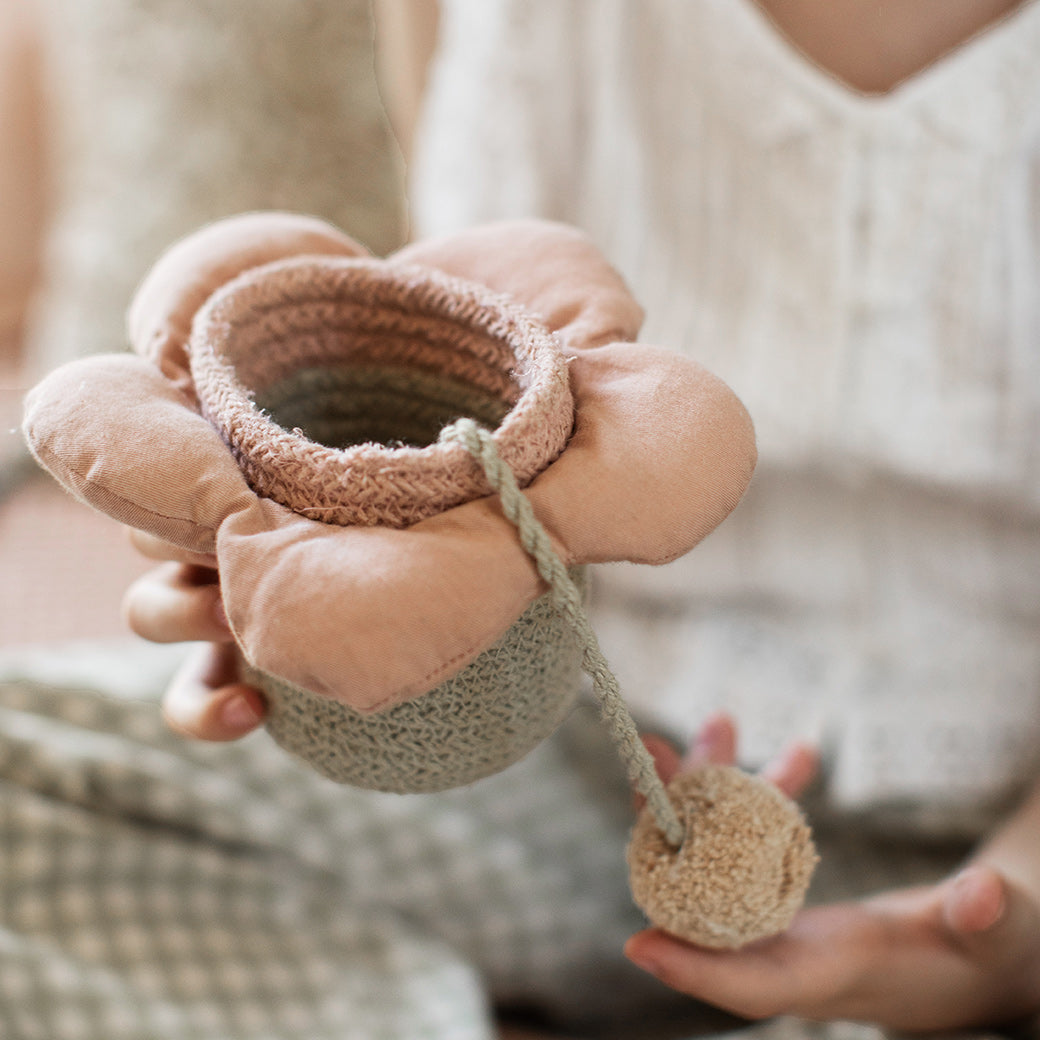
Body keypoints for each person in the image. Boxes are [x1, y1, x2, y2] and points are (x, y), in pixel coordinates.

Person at [125, 0, 1040, 1036]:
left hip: (990, 836)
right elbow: (447, 355)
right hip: (539, 746)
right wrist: (292, 569)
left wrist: (1006, 943)